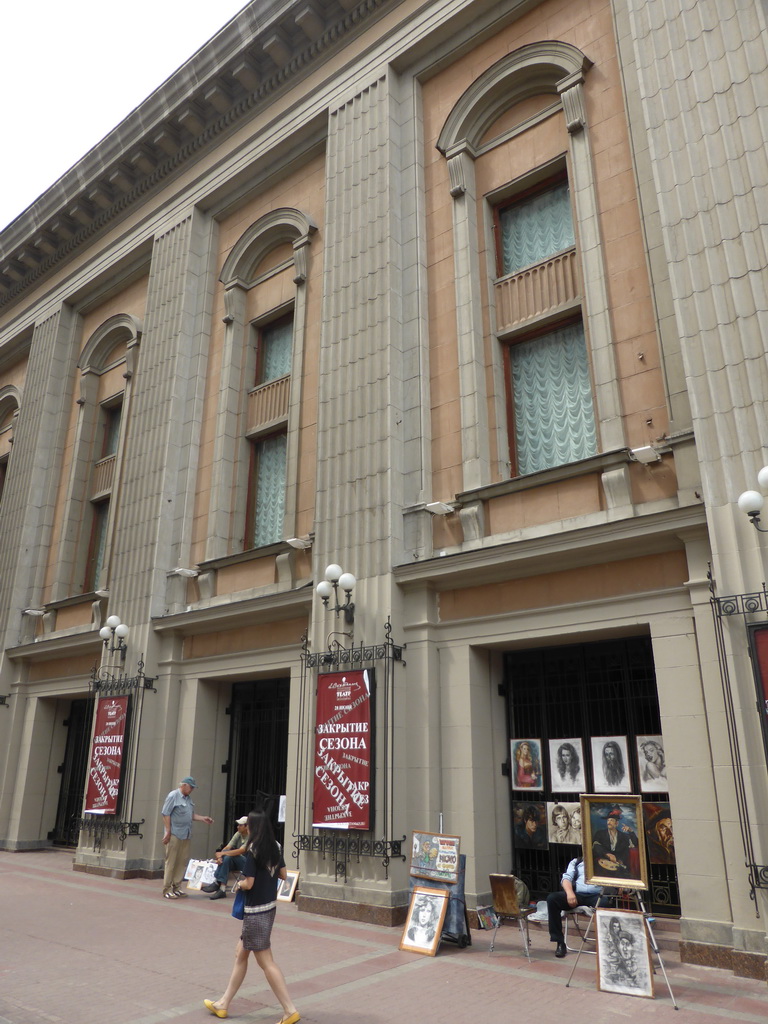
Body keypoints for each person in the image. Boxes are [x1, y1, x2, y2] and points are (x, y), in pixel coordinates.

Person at [203, 810, 299, 1024]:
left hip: (255, 911)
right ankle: (223, 1003)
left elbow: (249, 883)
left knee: (266, 962)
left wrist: (239, 886)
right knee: (240, 954)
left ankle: (289, 1010)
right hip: (269, 907)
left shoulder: (253, 850)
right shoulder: (276, 847)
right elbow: (283, 875)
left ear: (254, 827)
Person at [161, 776, 213, 900]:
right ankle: (167, 889)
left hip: (186, 834)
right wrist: (168, 831)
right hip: (175, 834)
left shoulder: (188, 799)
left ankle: (177, 887)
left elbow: (190, 815)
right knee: (171, 862)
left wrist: (202, 818)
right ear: (183, 785)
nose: (192, 790)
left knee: (181, 862)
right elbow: (165, 813)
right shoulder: (173, 795)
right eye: (191, 787)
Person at [546, 856, 605, 958]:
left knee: (607, 903)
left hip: (598, 896)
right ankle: (559, 942)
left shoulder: (605, 862)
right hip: (578, 895)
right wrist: (569, 892)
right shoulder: (577, 862)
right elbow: (566, 878)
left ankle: (607, 943)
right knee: (552, 899)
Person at [202, 816, 249, 899]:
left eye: (240, 825)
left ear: (247, 826)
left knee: (228, 856)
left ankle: (217, 882)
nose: (238, 827)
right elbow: (227, 847)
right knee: (226, 858)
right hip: (236, 861)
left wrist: (222, 854)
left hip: (246, 862)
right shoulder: (238, 834)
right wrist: (220, 857)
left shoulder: (251, 836)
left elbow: (241, 851)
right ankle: (222, 888)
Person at [592, 806, 637, 879]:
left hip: (618, 868)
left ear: (617, 823)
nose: (609, 822)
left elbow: (635, 844)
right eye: (608, 820)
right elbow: (595, 846)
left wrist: (631, 831)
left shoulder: (624, 837)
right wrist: (608, 854)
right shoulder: (600, 834)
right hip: (602, 866)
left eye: (611, 820)